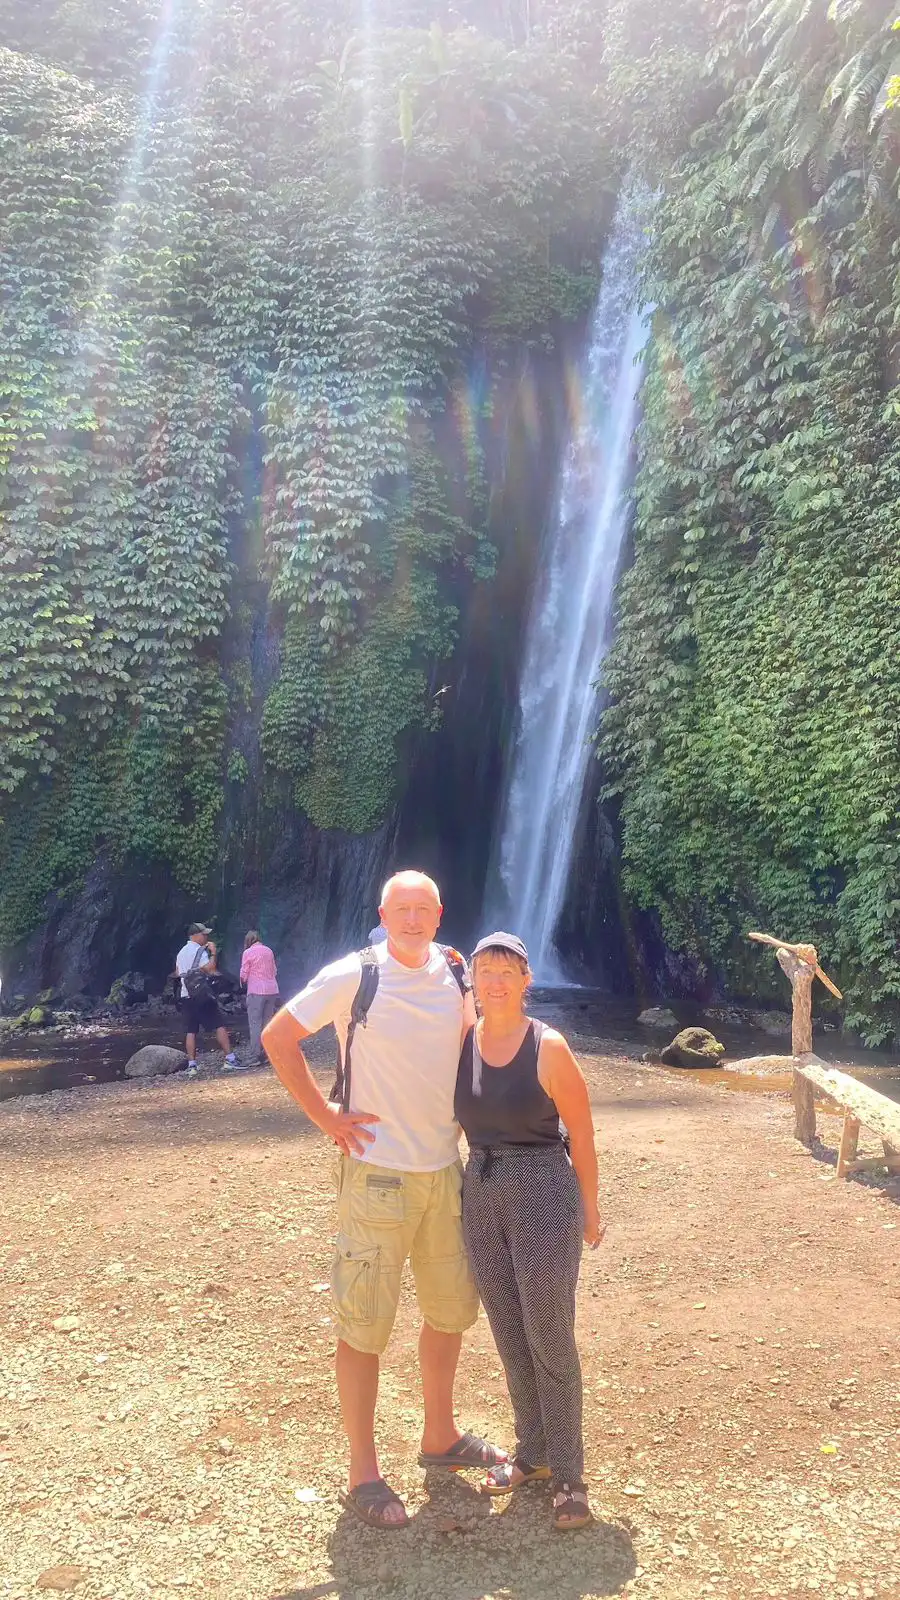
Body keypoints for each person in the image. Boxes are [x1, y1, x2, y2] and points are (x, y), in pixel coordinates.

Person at [262, 870, 507, 1529]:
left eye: (423, 909)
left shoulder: (455, 972)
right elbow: (279, 1036)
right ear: (383, 914)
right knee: (364, 1325)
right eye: (402, 909)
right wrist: (326, 1118)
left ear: (439, 914)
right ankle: (363, 1472)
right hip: (376, 1175)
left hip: (444, 1170)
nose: (413, 919)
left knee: (451, 1312)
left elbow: (475, 1046)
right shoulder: (355, 974)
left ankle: (440, 1435)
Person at [455, 931, 603, 1533]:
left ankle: (569, 1475)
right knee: (510, 1331)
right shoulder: (463, 1042)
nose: (494, 982)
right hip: (481, 1189)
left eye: (506, 972)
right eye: (485, 971)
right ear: (473, 981)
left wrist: (590, 1208)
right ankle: (532, 1452)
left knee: (548, 1333)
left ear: (525, 981)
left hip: (542, 1188)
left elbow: (582, 1133)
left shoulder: (549, 1047)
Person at [173, 923, 239, 1077]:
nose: (206, 937)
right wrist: (213, 953)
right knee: (219, 1024)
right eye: (204, 934)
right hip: (202, 995)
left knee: (191, 1030)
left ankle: (192, 1066)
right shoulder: (200, 951)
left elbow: (177, 972)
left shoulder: (181, 952)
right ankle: (230, 1059)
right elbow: (211, 969)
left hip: (186, 995)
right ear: (195, 936)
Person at [240, 930, 280, 1066]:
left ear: (248, 941)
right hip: (272, 990)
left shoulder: (247, 953)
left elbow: (244, 975)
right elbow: (274, 971)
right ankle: (267, 1054)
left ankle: (254, 1056)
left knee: (255, 1024)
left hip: (256, 991)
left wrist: (243, 980)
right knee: (267, 1023)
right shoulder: (269, 951)